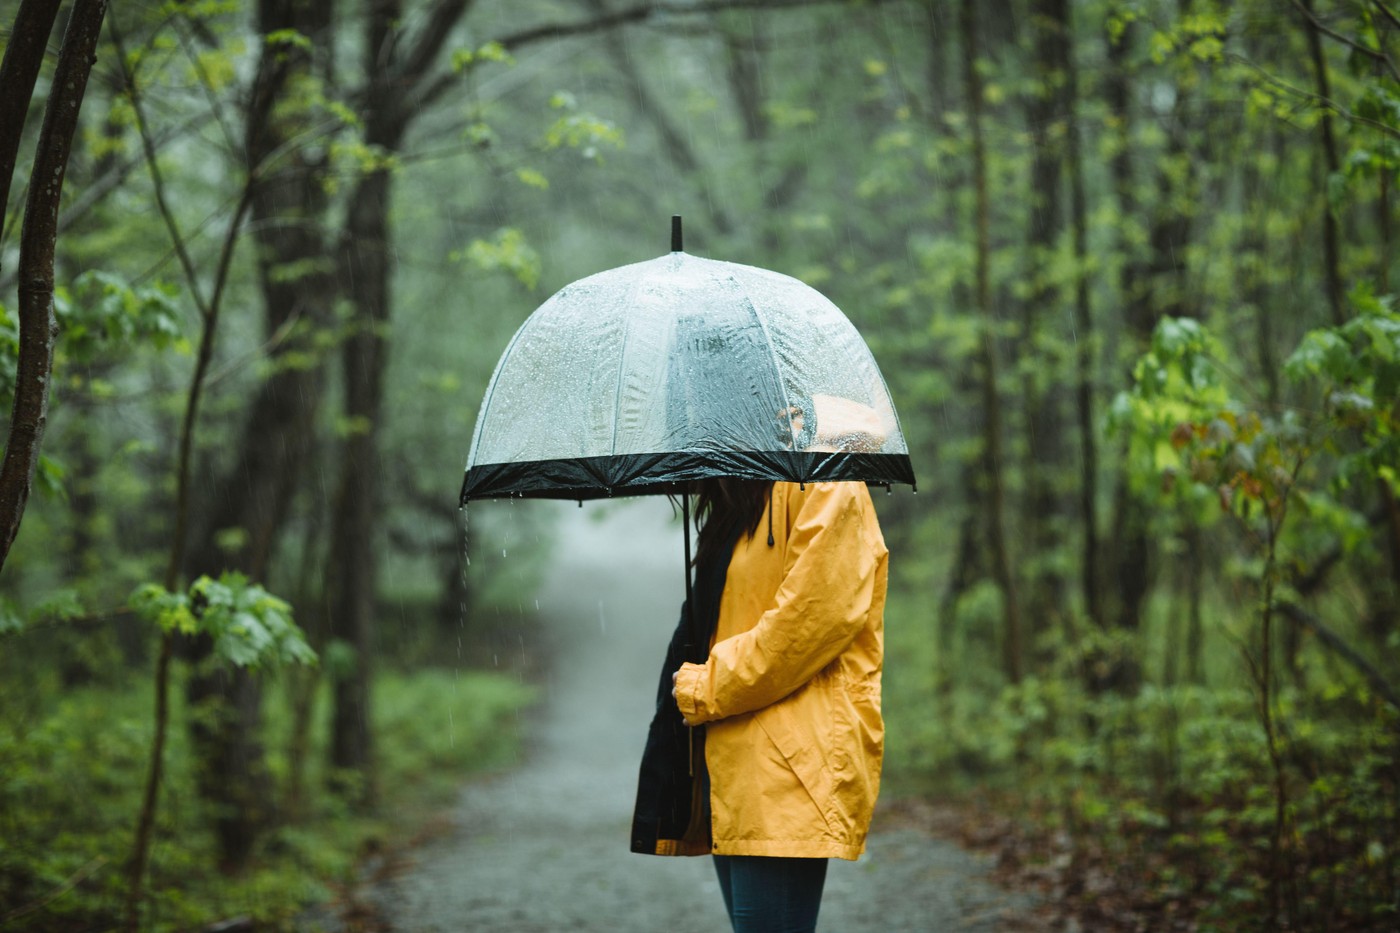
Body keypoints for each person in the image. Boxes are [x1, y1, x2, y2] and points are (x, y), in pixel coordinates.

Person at [630, 474, 889, 933]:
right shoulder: (741, 487)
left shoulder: (826, 481)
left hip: (789, 763)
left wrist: (705, 687)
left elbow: (810, 623)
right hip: (732, 757)